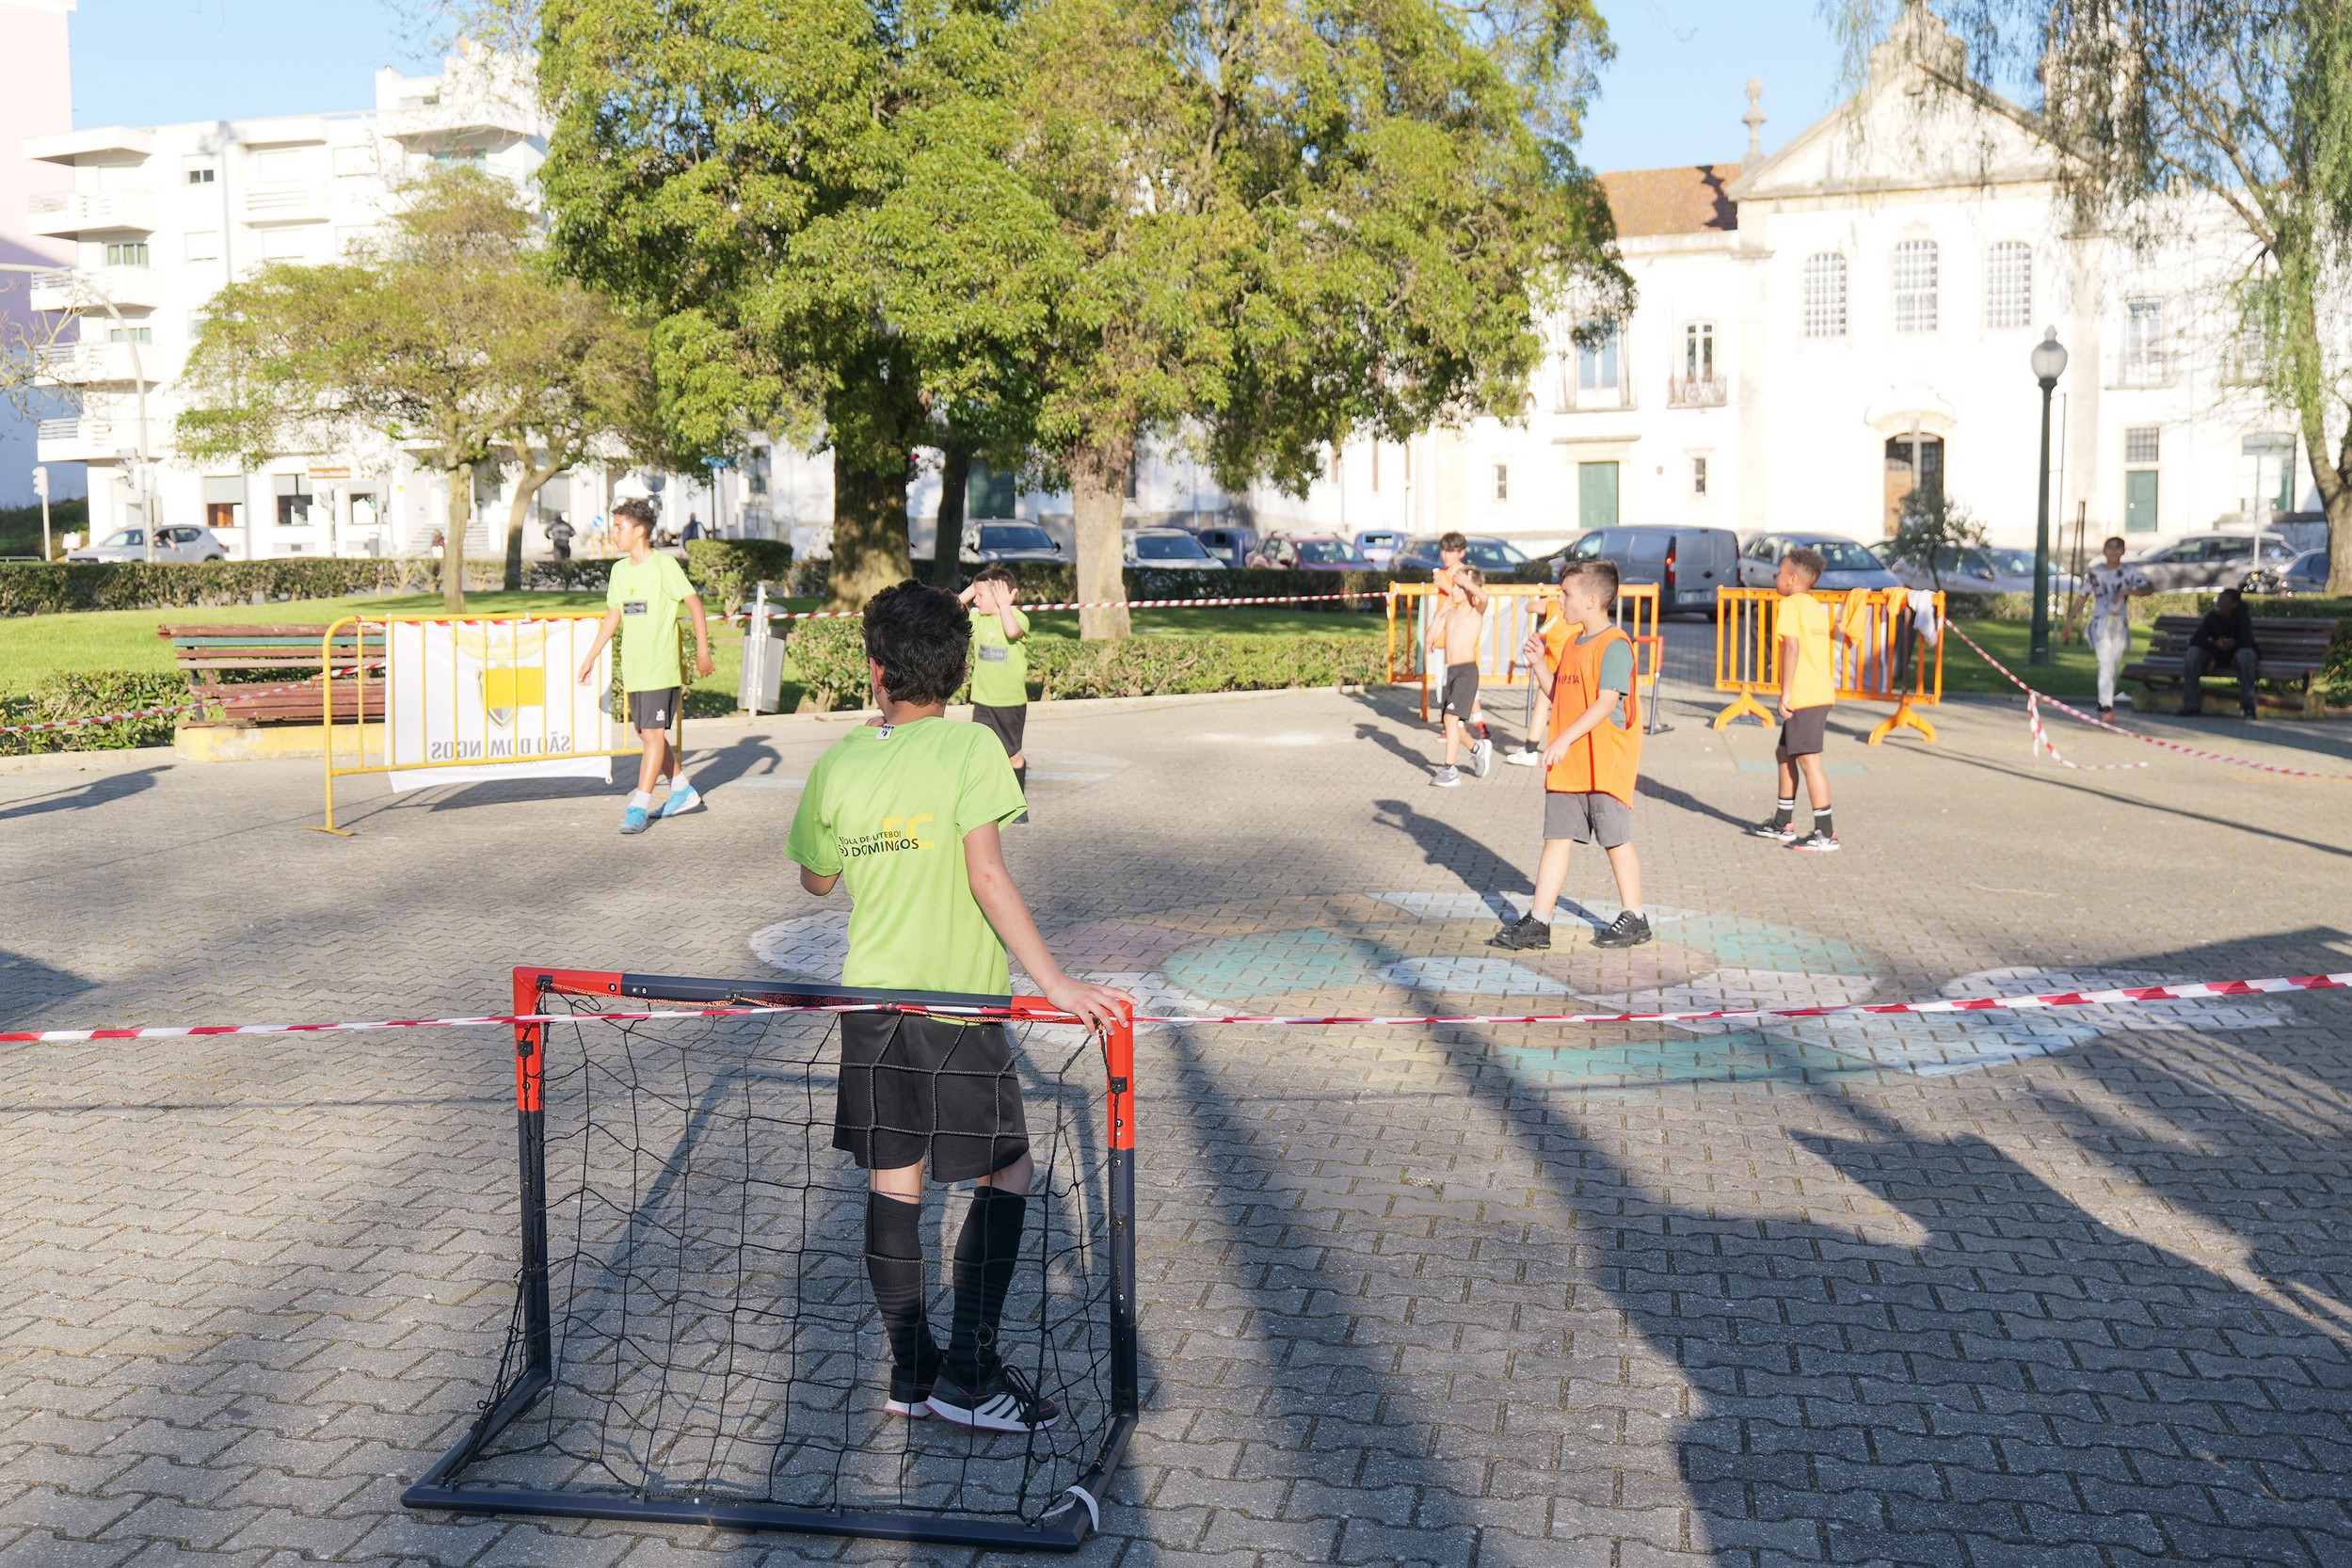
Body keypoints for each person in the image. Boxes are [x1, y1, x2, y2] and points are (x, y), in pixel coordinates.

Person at [784, 581, 1133, 1431]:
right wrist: (1056, 983)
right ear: (959, 669)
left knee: (893, 1180)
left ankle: (910, 1375)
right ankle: (967, 1379)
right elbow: (986, 874)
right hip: (954, 1007)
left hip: (871, 1002)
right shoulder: (974, 749)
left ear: (874, 670)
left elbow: (816, 878)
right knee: (1008, 1167)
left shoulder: (838, 758)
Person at [1488, 559, 1651, 952]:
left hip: (1603, 762)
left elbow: (1604, 702)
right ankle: (1539, 921)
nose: (1560, 600)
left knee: (1615, 840)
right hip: (1570, 764)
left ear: (1592, 600)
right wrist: (1540, 665)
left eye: (1566, 594)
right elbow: (1561, 695)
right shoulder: (1575, 643)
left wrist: (1561, 740)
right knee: (1556, 838)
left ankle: (1636, 917)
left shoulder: (1614, 645)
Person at [575, 499, 713, 834]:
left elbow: (694, 604)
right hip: (635, 668)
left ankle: (639, 805)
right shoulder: (619, 571)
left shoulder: (664, 566)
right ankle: (681, 789)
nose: (615, 534)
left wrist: (703, 650)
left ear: (640, 531)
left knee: (652, 735)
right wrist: (592, 655)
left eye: (620, 528)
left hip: (660, 666)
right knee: (646, 734)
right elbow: (613, 616)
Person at [1746, 546, 1840, 852]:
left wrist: (1785, 692)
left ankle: (1825, 833)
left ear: (1792, 578)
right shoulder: (1814, 605)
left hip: (1803, 695)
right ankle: (1782, 822)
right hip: (1818, 692)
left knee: (1810, 761)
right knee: (1784, 754)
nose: (1776, 576)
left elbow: (1792, 648)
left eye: (1779, 572)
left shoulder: (1788, 606)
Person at [957, 565, 1031, 815]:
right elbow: (953, 610)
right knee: (981, 753)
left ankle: (1018, 805)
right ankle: (987, 804)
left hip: (1009, 703)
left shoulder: (1018, 617)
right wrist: (974, 587)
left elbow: (1012, 630)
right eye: (975, 596)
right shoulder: (978, 620)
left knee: (1012, 755)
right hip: (983, 701)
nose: (976, 601)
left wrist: (1004, 605)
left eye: (981, 596)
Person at [2065, 535, 2152, 721]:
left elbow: (2147, 589)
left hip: (2119, 624)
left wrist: (2127, 591)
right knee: (2104, 662)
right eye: (2109, 548)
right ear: (2104, 551)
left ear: (2123, 551)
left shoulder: (2129, 571)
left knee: (2112, 664)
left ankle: (2104, 703)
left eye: (2117, 548)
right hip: (2100, 622)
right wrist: (2070, 620)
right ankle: (2105, 706)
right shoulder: (2096, 572)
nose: (2113, 551)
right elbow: (2083, 595)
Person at [1429, 531, 1496, 757]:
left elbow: (1476, 598)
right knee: (1451, 706)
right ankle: (1475, 744)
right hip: (1446, 637)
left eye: (1451, 551)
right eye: (1444, 551)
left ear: (1461, 552)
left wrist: (1451, 585)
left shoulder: (1464, 577)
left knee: (1460, 701)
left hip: (1464, 652)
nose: (1446, 555)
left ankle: (1454, 761)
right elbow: (1447, 608)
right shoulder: (1445, 574)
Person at [1427, 564, 1491, 786]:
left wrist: (1468, 582)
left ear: (1470, 589)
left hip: (1467, 672)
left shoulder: (1476, 611)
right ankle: (1477, 748)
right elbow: (1431, 637)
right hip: (1451, 672)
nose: (1453, 590)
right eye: (1454, 585)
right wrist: (1439, 615)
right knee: (1451, 724)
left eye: (1459, 586)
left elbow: (1484, 597)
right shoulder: (1451, 613)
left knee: (1450, 718)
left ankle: (1449, 770)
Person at [2182, 586, 2261, 718]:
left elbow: (2246, 642)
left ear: (2234, 605)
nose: (2219, 604)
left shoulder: (2242, 618)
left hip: (2236, 654)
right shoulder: (2212, 617)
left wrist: (2227, 646)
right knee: (2192, 653)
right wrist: (2215, 645)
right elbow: (2196, 640)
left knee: (2246, 655)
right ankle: (2191, 705)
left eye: (2224, 602)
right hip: (2215, 652)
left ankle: (2248, 706)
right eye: (2218, 600)